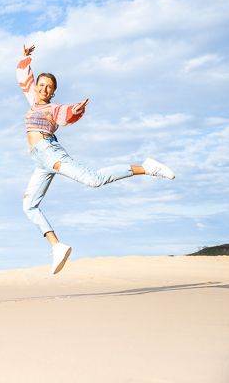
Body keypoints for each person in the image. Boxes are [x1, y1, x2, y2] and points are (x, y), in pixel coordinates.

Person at [17, 43, 175, 275]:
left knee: (94, 180)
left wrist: (75, 110)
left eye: (49, 87)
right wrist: (25, 58)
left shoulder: (53, 108)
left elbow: (65, 113)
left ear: (53, 93)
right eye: (41, 85)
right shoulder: (32, 101)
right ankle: (57, 246)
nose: (44, 89)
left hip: (51, 153)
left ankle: (146, 167)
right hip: (39, 161)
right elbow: (24, 78)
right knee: (29, 206)